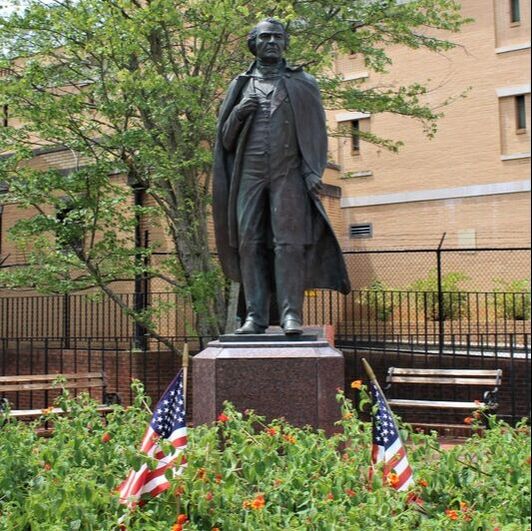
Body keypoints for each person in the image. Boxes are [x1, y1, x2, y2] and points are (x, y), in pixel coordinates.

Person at [213, 18, 350, 335]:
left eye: (277, 37)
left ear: (285, 43)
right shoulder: (241, 85)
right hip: (249, 173)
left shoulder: (303, 83)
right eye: (265, 37)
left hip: (287, 172)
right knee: (249, 242)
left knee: (288, 243)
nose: (272, 41)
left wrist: (313, 170)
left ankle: (291, 315)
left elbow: (316, 132)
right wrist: (240, 111)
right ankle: (255, 316)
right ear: (254, 44)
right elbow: (226, 140)